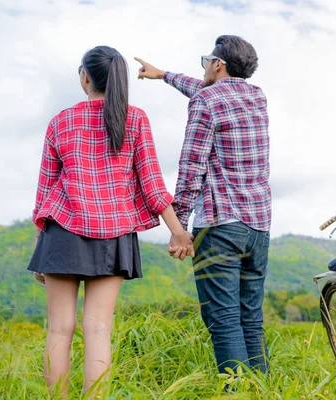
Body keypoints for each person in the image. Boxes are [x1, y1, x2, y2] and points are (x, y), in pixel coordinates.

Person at [28, 45, 194, 399]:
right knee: (99, 329)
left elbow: (45, 194)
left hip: (61, 233)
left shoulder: (60, 121)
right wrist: (177, 231)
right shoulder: (134, 119)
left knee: (59, 330)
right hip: (113, 233)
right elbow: (152, 185)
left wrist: (40, 249)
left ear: (85, 77)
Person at [134, 35, 272, 375]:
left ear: (218, 64)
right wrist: (163, 74)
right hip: (259, 227)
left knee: (223, 319)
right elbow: (205, 89)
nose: (204, 68)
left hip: (220, 226)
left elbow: (191, 167)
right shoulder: (256, 97)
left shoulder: (207, 102)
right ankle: (265, 390)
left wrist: (178, 227)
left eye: (205, 61)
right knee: (250, 318)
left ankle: (238, 394)